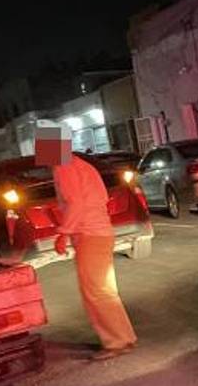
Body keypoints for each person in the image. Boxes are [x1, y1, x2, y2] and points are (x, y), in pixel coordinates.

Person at [35, 126, 137, 360]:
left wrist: (64, 233)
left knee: (96, 291)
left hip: (89, 234)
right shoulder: (82, 165)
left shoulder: (65, 167)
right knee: (103, 290)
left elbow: (76, 203)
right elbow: (99, 198)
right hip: (100, 232)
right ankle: (123, 337)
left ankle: (117, 342)